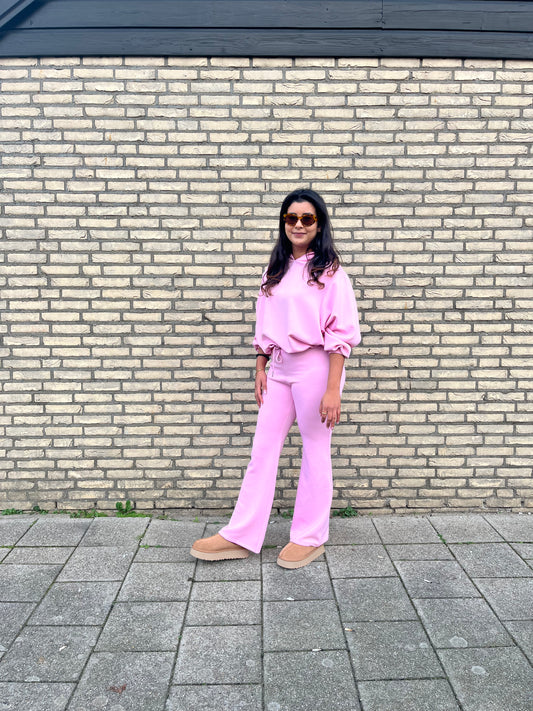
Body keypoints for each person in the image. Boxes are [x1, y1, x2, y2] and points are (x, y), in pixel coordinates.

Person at [190, 188, 361, 569]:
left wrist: (333, 389)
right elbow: (264, 325)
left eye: (307, 218)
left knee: (315, 451)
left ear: (319, 225)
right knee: (263, 450)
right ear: (283, 223)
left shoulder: (330, 274)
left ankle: (309, 537)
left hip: (317, 366)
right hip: (279, 368)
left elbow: (341, 334)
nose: (298, 225)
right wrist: (260, 366)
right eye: (291, 218)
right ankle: (241, 534)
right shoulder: (274, 271)